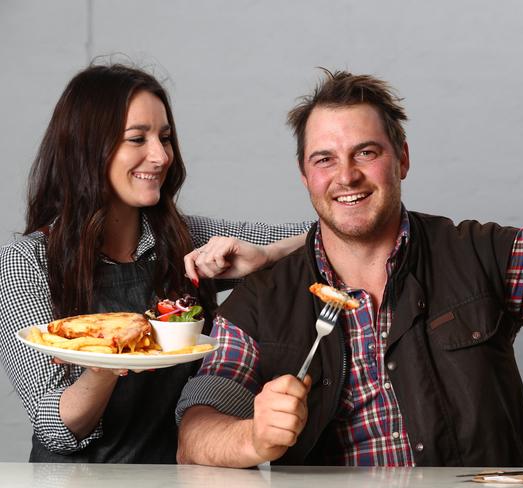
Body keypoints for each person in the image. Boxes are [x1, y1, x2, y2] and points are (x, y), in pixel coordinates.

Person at [175, 70, 523, 467]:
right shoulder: (261, 300)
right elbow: (196, 433)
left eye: (366, 152)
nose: (346, 176)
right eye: (325, 159)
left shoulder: (476, 254)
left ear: (402, 158)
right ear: (305, 177)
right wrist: (251, 439)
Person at [0, 63, 311, 463]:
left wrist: (267, 256)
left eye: (165, 138)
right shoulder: (28, 260)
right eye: (137, 138)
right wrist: (107, 359)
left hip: (181, 473)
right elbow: (56, 428)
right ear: (88, 147)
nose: (161, 155)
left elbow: (325, 234)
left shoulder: (184, 239)